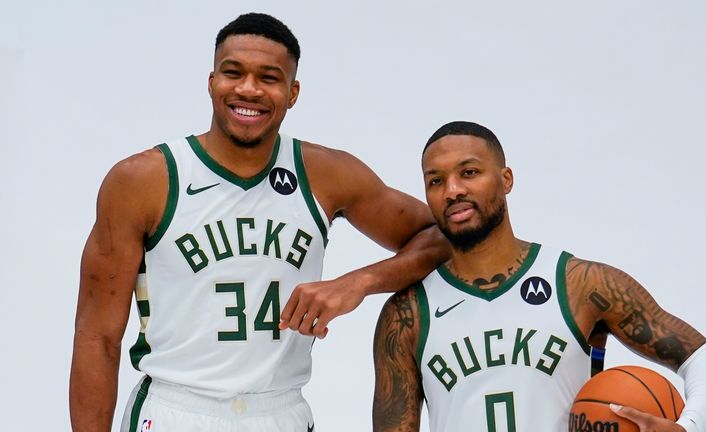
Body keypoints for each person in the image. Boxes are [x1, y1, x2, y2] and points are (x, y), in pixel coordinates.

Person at [70, 13, 449, 432]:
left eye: (269, 77)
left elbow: (442, 236)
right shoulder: (143, 180)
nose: (248, 89)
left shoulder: (324, 173)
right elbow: (96, 338)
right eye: (233, 73)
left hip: (281, 411)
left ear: (293, 92)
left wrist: (355, 284)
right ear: (211, 81)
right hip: (174, 408)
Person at [372, 121, 706, 432]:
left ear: (506, 179)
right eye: (436, 181)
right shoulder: (407, 315)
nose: (453, 190)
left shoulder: (579, 284)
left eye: (469, 172)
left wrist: (689, 427)